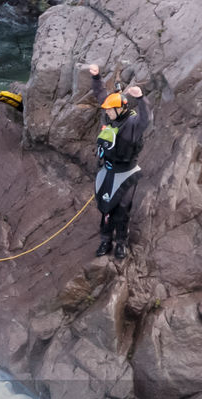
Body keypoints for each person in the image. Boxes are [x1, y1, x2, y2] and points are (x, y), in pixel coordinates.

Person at [87, 65, 149, 259]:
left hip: (126, 172)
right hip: (108, 169)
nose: (107, 113)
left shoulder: (132, 124)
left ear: (120, 108)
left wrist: (140, 98)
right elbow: (101, 95)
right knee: (105, 207)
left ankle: (121, 242)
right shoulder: (109, 114)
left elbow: (147, 119)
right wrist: (96, 77)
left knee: (122, 208)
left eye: (111, 111)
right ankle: (106, 239)